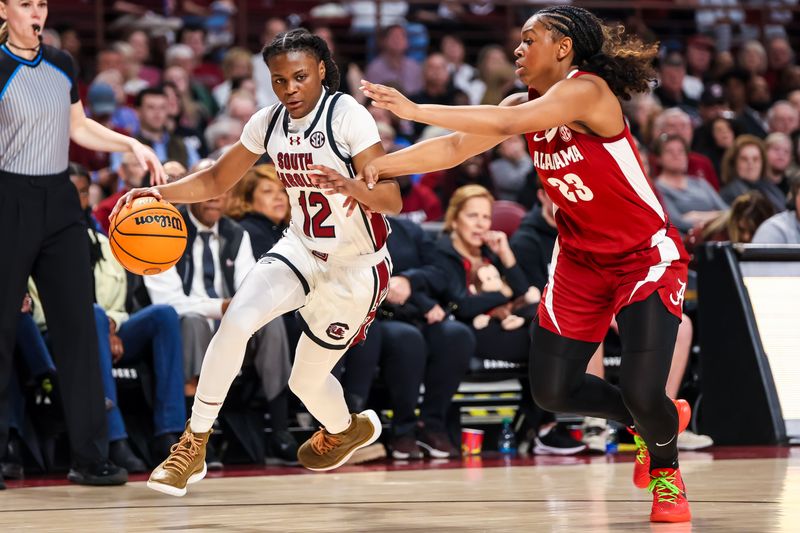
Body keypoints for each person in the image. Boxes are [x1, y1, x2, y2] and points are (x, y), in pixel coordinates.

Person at [355, 6, 693, 522]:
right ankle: (658, 419)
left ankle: (666, 472)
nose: (518, 49)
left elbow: (508, 123)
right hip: (580, 259)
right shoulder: (522, 102)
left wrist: (413, 108)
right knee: (553, 389)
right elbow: (451, 149)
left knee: (644, 388)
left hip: (642, 255)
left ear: (563, 47)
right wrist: (376, 165)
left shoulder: (588, 91)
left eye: (529, 39)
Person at [111, 29, 401, 496]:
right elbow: (218, 179)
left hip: (356, 268)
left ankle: (345, 429)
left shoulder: (347, 115)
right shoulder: (268, 123)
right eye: (279, 80)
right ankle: (194, 444)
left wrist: (353, 188)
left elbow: (393, 198)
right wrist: (158, 193)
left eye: (300, 77)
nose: (289, 89)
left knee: (305, 381)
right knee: (238, 320)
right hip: (301, 249)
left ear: (322, 71)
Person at [0, 0, 165, 489]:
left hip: (58, 198)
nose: (37, 12)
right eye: (26, 3)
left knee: (79, 324)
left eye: (42, 3)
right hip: (8, 194)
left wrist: (130, 143)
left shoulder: (62, 63)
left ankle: (91, 457)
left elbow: (77, 127)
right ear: (3, 10)